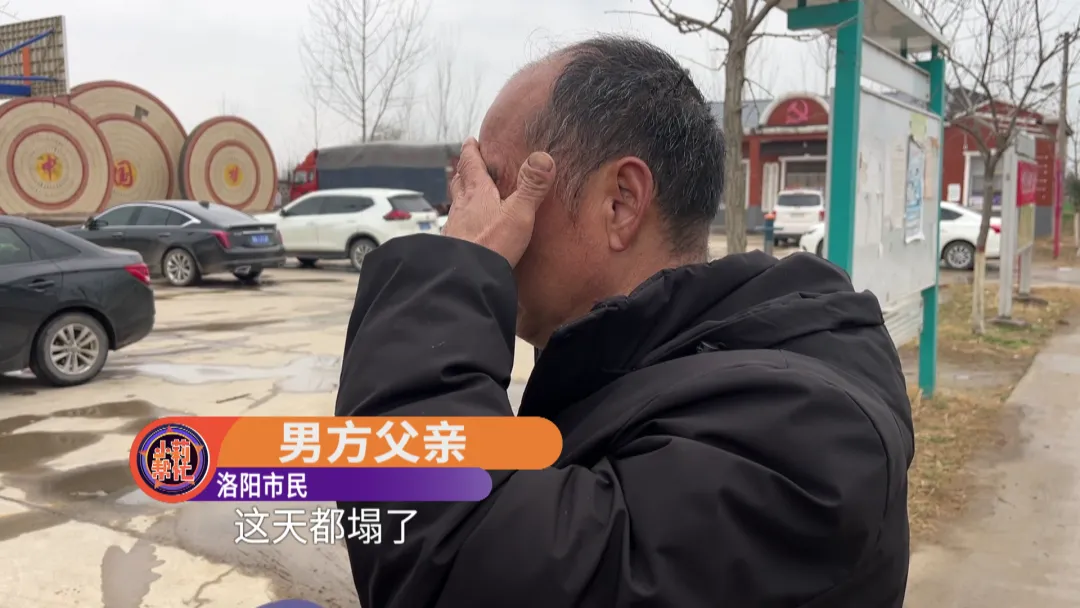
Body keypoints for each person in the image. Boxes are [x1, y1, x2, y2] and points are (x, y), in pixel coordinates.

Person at [337, 36, 914, 607]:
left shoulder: (798, 436)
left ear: (621, 203)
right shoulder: (646, 371)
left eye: (496, 184)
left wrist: (451, 276)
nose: (473, 214)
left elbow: (455, 561)